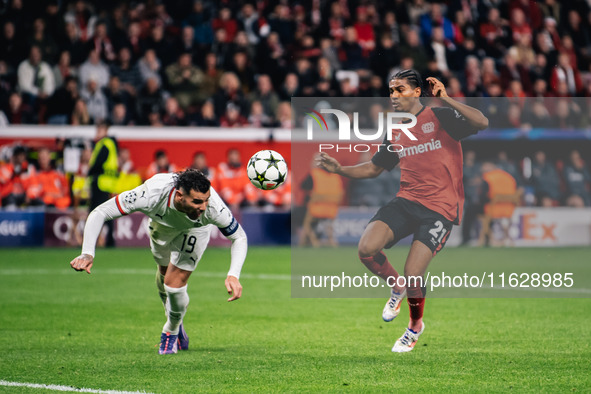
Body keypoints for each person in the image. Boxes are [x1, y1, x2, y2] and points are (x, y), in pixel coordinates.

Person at [317, 69, 488, 352]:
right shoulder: (396, 128)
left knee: (414, 273)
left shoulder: (441, 117)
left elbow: (481, 121)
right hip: (407, 200)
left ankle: (414, 326)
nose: (393, 96)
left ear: (417, 92)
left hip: (440, 208)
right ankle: (396, 287)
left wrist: (446, 98)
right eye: (391, 90)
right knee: (366, 249)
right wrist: (339, 170)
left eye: (400, 90)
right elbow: (374, 168)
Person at [69, 169, 247, 355]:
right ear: (179, 196)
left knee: (173, 284)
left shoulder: (213, 209)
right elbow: (100, 211)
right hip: (161, 227)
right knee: (163, 276)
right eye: (196, 201)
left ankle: (170, 330)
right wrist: (87, 253)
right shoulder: (151, 193)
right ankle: (175, 319)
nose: (203, 207)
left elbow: (239, 237)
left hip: (195, 230)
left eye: (206, 200)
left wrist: (233, 274)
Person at [88, 121, 119, 247]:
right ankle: (109, 240)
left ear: (105, 130)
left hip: (100, 183)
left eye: (100, 129)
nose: (97, 132)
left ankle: (91, 241)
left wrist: (89, 172)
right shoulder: (111, 144)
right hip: (108, 184)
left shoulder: (104, 144)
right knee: (106, 213)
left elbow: (98, 163)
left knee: (94, 212)